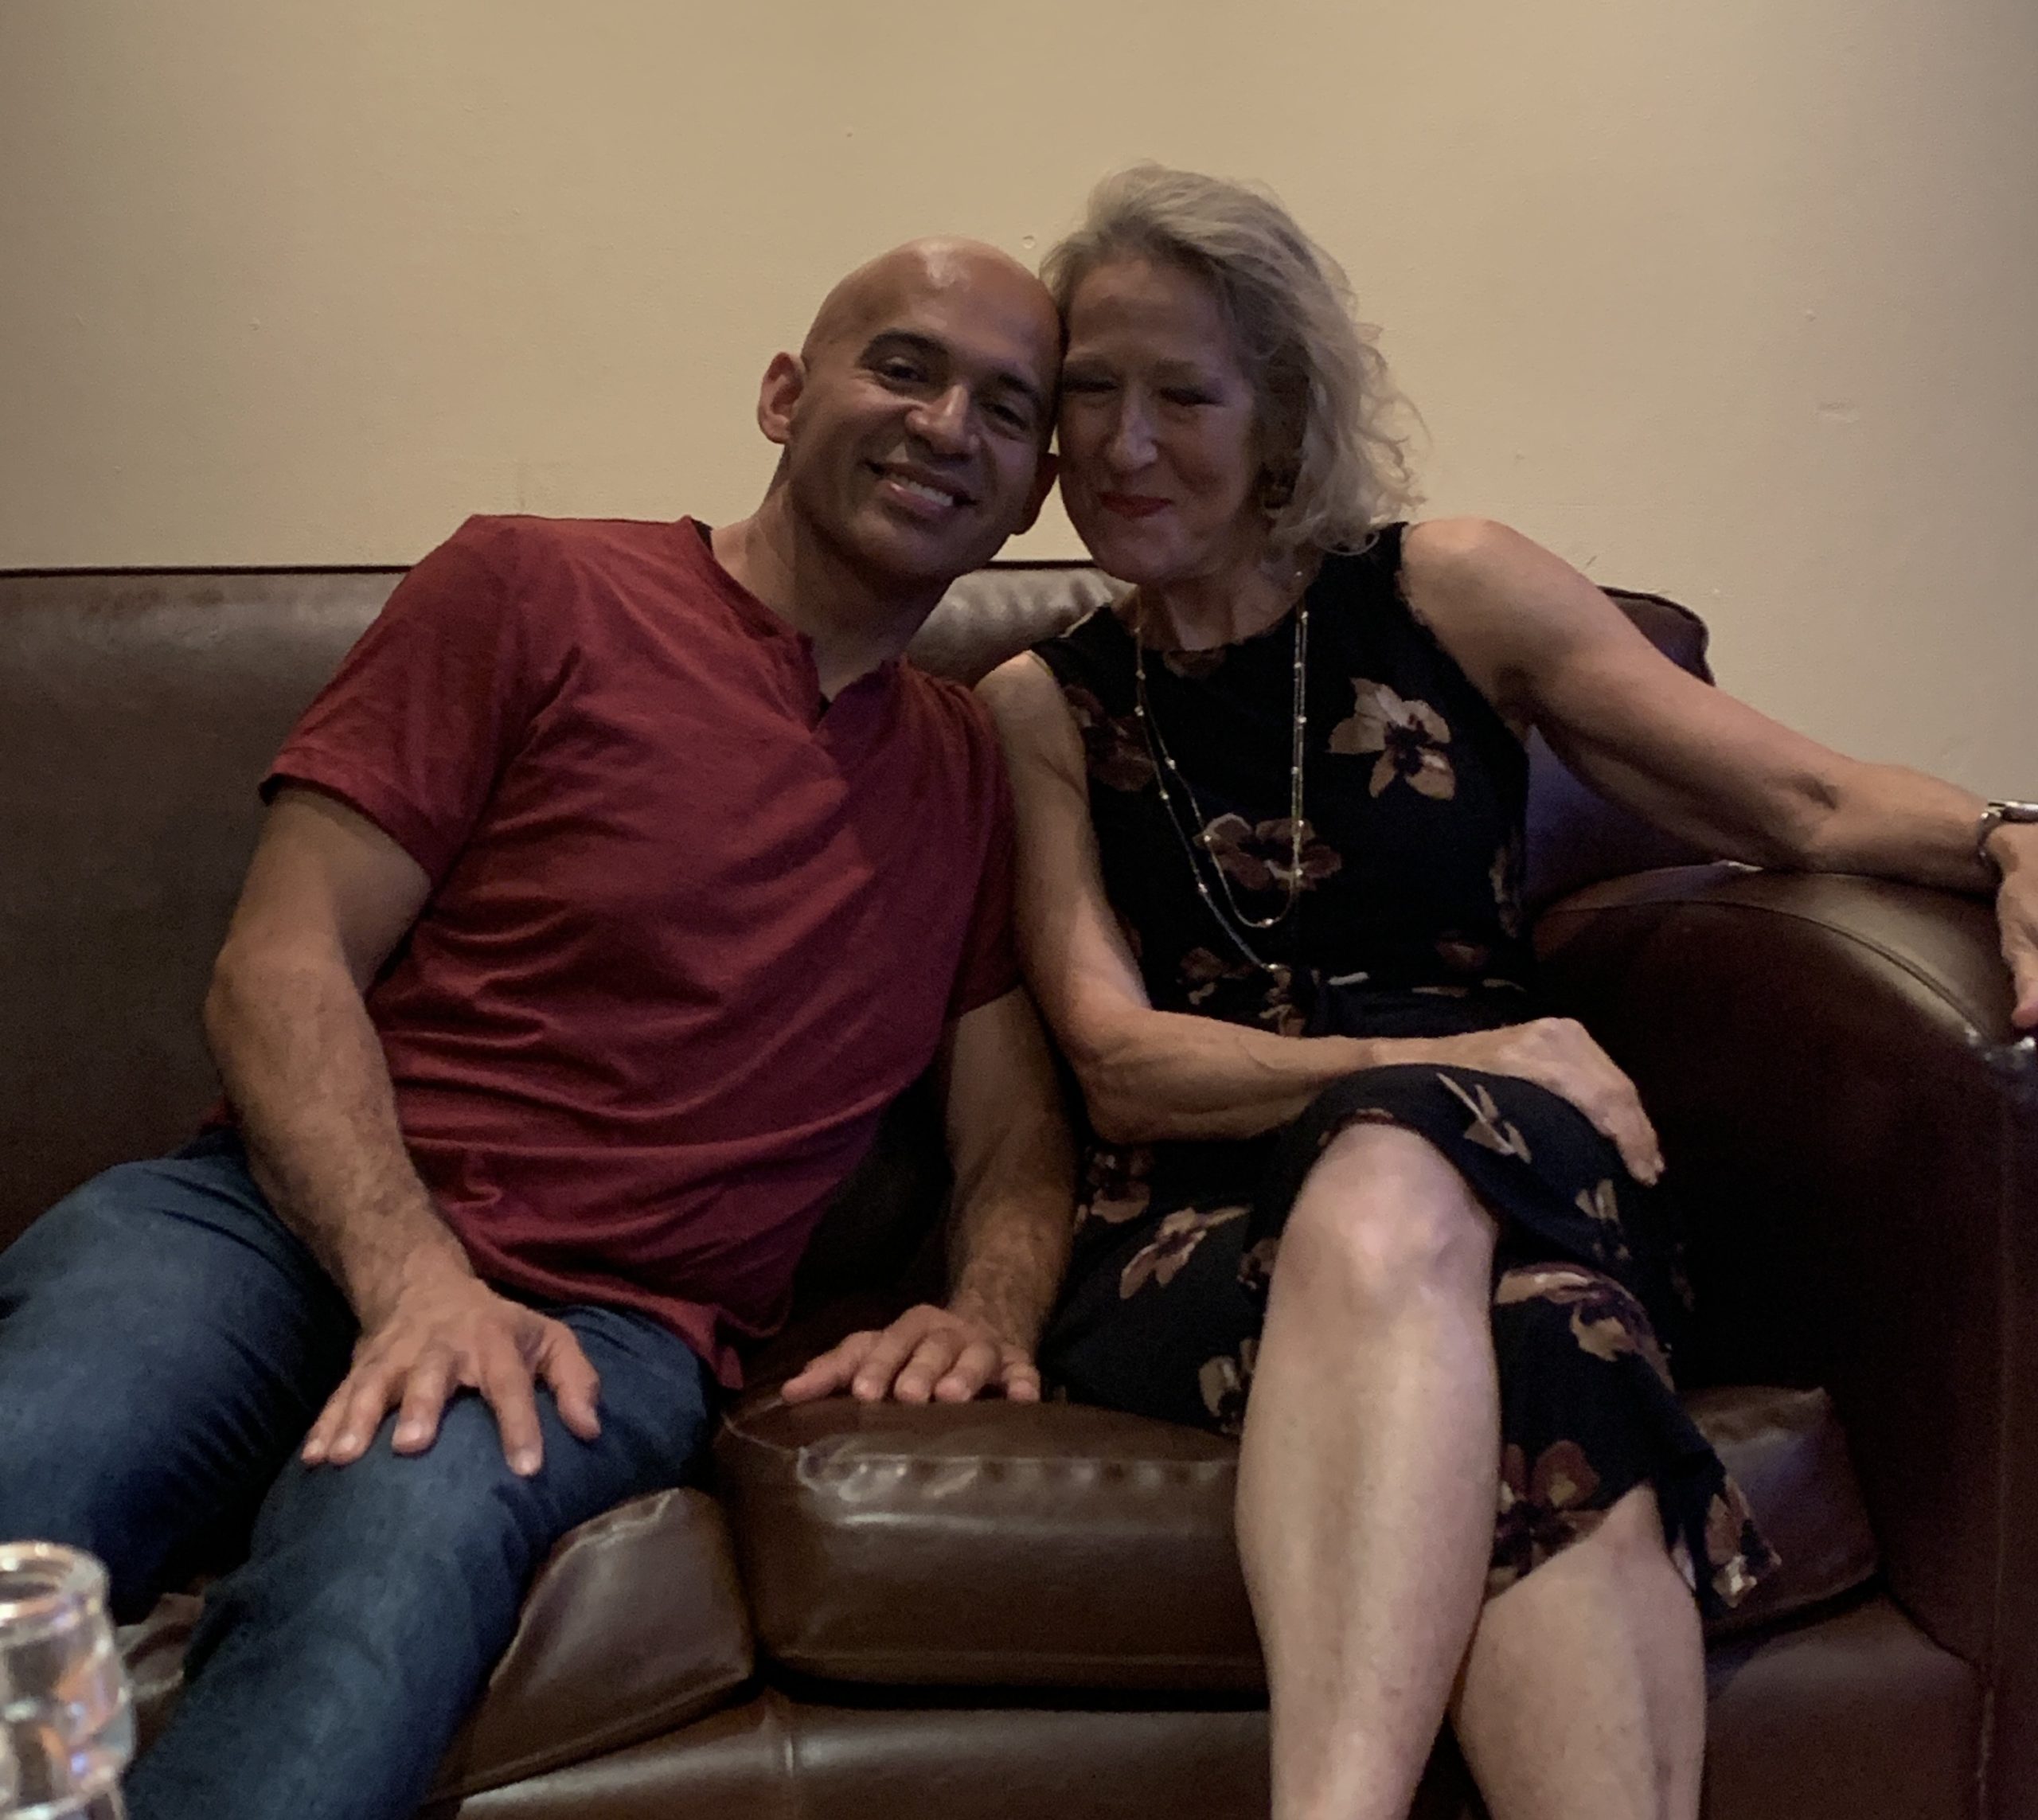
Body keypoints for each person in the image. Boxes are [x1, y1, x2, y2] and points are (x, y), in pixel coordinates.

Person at [969, 166, 2038, 1820]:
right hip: (1205, 1218)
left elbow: (1802, 802)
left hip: (1527, 1159)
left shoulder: (1448, 589)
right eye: (1089, 392)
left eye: (1182, 394)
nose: (1122, 444)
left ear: (1281, 415)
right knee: (1551, 1344)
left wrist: (2005, 834)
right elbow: (1115, 1062)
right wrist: (1490, 1049)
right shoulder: (1038, 703)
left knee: (1419, 1179)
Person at [0, 236, 1076, 1820]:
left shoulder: (968, 768)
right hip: (264, 1222)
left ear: (1034, 491)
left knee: (381, 1583)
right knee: (43, 1450)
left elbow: (1016, 1130)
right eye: (902, 367)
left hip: (608, 1321)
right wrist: (415, 1279)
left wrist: (988, 1311)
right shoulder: (533, 585)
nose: (944, 426)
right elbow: (280, 962)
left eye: (1005, 406)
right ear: (784, 395)